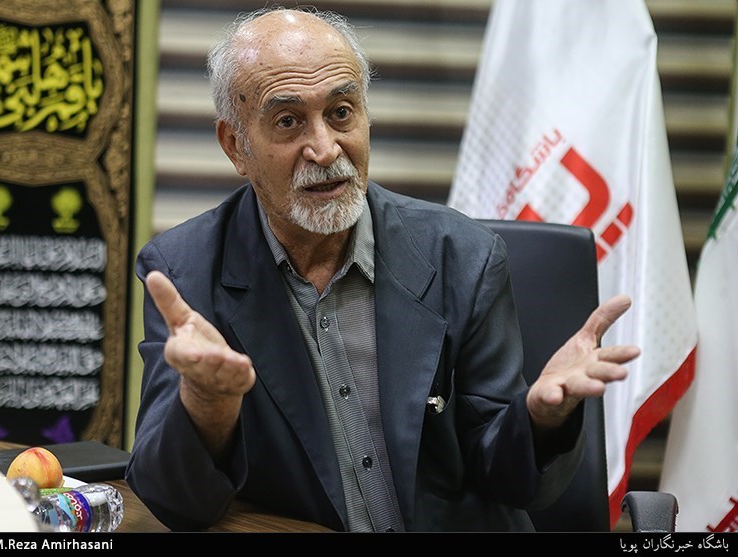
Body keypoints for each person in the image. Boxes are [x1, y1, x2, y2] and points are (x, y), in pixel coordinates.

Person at [125, 6, 640, 532]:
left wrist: (540, 420)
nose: (325, 149)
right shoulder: (185, 275)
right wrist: (207, 404)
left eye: (341, 112)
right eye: (288, 121)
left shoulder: (463, 255)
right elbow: (172, 503)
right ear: (236, 146)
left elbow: (506, 479)